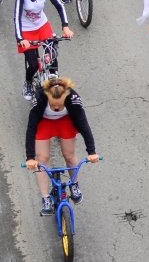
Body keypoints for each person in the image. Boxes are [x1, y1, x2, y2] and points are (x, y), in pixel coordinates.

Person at [24, 77, 97, 215]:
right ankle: (46, 198)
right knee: (42, 158)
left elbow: (83, 125)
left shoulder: (73, 100)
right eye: (53, 105)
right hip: (44, 122)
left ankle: (74, 185)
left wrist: (91, 151)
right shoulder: (40, 99)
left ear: (66, 97)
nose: (56, 108)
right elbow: (31, 128)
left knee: (69, 154)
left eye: (60, 105)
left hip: (66, 121)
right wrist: (30, 157)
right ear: (47, 97)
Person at [14, 0, 73, 100]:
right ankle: (28, 83)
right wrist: (20, 39)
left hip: (42, 26)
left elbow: (59, 5)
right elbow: (16, 17)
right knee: (33, 64)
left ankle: (54, 79)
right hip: (27, 31)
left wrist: (65, 26)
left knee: (51, 57)